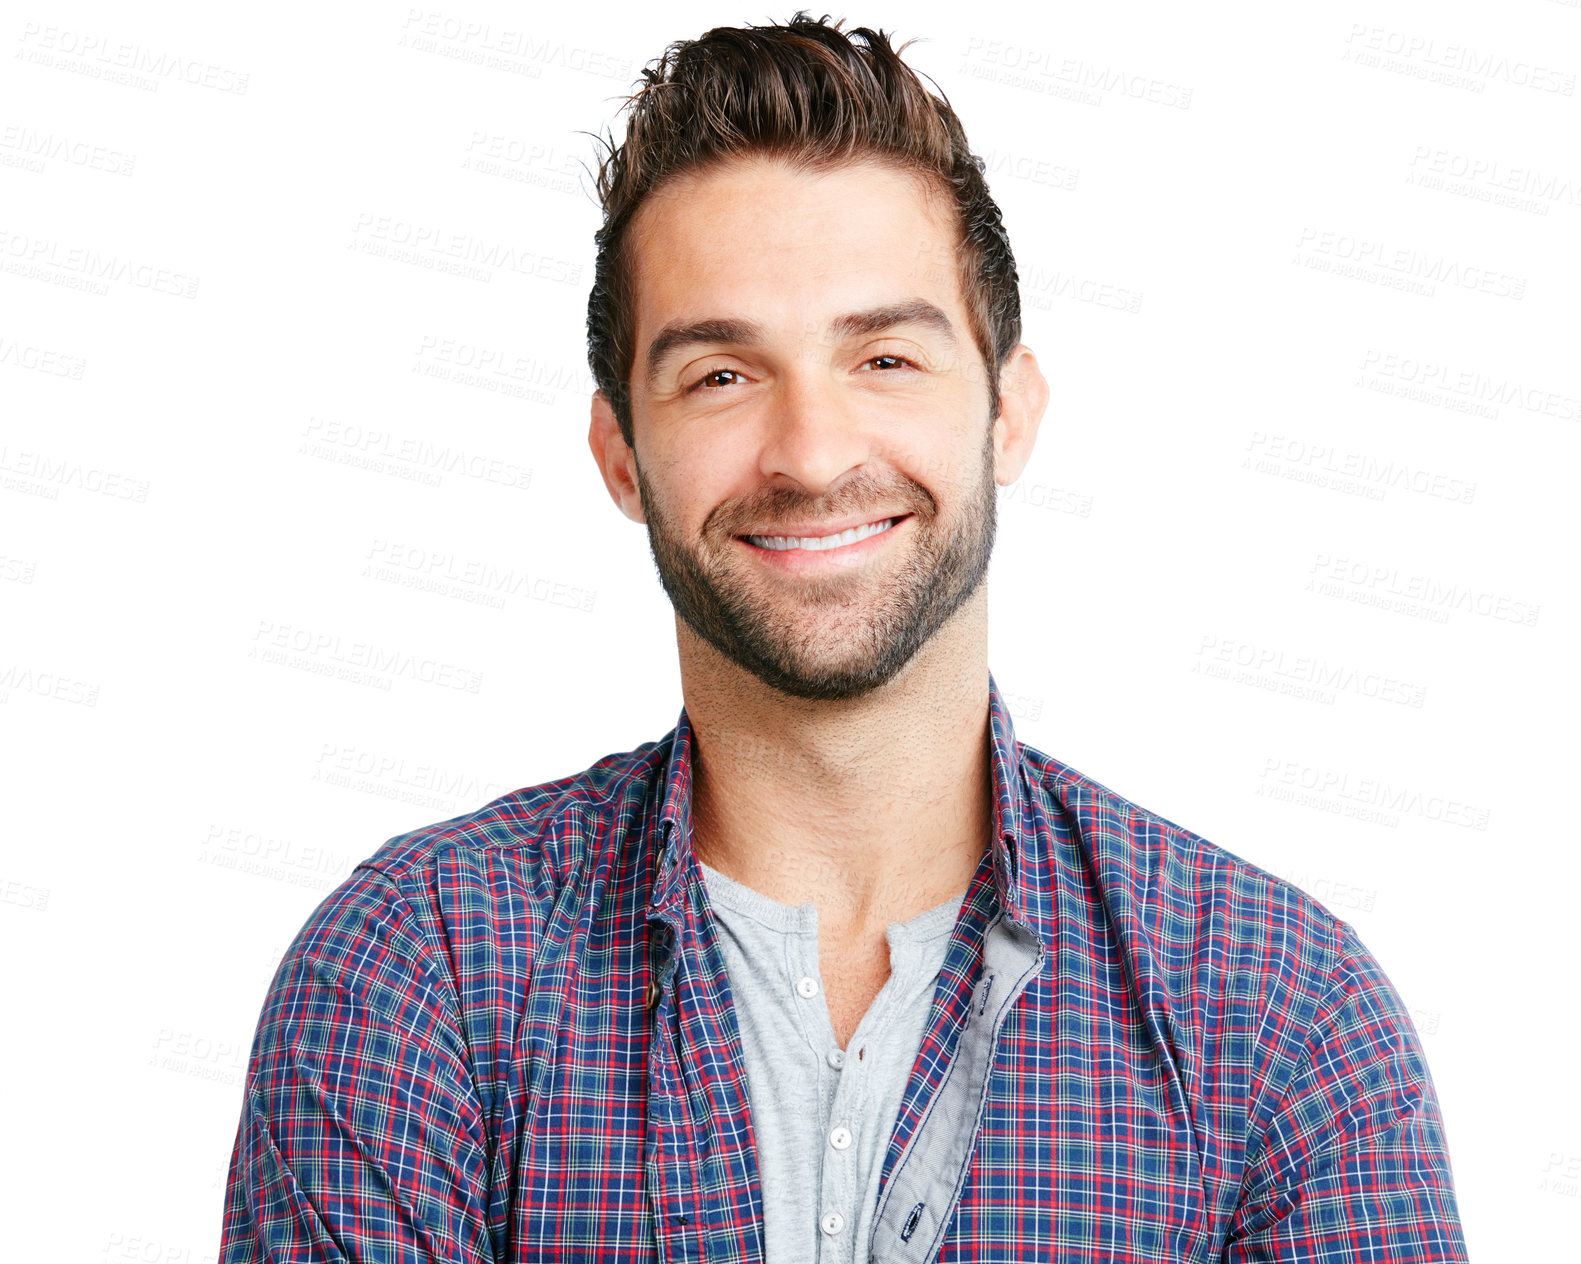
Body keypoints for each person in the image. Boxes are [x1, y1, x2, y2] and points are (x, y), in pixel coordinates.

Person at [219, 13, 1468, 1262]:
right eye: (721, 374)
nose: (812, 453)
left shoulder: (1280, 1015)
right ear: (620, 454)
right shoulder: (414, 976)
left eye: (884, 356)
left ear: (1009, 412)